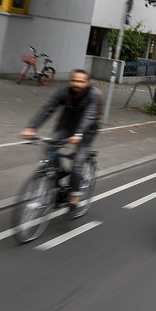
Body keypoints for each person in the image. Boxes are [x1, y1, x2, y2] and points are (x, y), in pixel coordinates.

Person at [20, 69, 102, 218]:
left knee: (77, 161)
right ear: (70, 81)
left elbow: (89, 116)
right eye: (74, 80)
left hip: (86, 130)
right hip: (66, 127)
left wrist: (79, 134)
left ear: (87, 83)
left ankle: (74, 200)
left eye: (81, 81)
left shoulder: (93, 96)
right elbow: (48, 109)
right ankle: (59, 173)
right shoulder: (64, 92)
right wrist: (32, 127)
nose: (77, 84)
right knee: (50, 146)